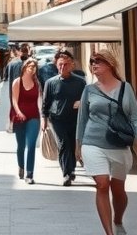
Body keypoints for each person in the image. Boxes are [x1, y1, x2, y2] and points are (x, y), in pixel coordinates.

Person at [76, 50, 137, 235]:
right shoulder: (89, 90)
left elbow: (135, 116)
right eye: (92, 62)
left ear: (110, 64)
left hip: (119, 145)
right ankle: (109, 232)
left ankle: (118, 218)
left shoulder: (125, 88)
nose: (94, 65)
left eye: (98, 61)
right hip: (92, 143)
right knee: (102, 184)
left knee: (118, 189)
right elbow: (82, 120)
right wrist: (78, 146)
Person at [42, 49, 86, 185]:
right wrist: (43, 120)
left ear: (72, 65)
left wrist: (81, 103)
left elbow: (87, 100)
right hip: (57, 120)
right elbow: (45, 103)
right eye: (60, 64)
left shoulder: (80, 82)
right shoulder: (50, 82)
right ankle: (66, 173)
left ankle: (71, 169)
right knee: (63, 145)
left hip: (75, 119)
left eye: (66, 64)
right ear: (56, 65)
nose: (62, 67)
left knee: (72, 145)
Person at [10, 57, 41, 184]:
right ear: (25, 67)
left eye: (34, 67)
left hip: (34, 116)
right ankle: (21, 166)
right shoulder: (17, 82)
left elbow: (39, 100)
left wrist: (43, 117)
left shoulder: (37, 83)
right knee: (21, 146)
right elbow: (14, 100)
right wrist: (18, 112)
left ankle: (30, 174)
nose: (32, 68)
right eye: (30, 66)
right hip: (20, 117)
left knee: (32, 145)